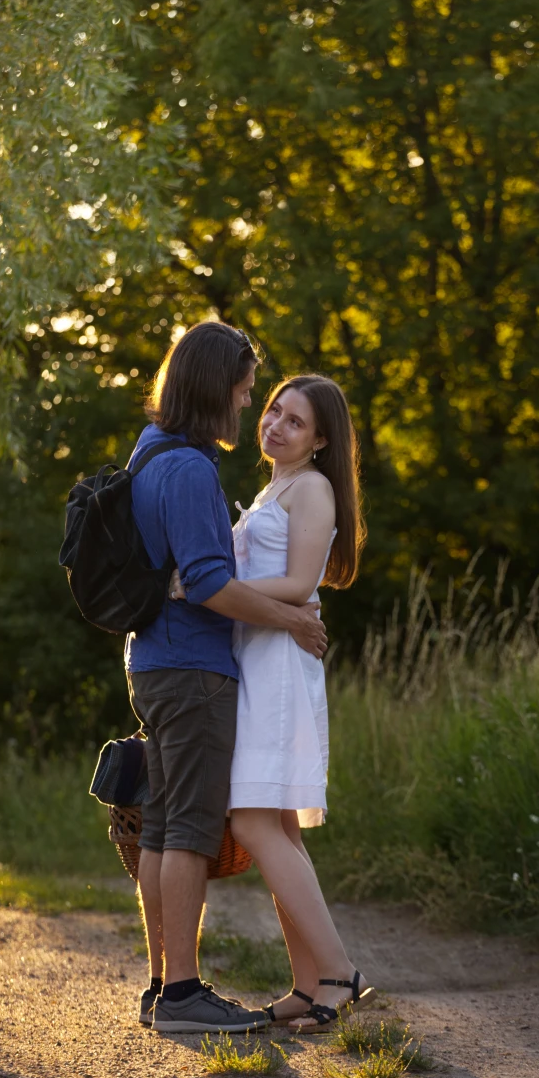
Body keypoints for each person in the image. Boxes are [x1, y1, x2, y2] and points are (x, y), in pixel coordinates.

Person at [125, 322, 328, 1035]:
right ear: (215, 389)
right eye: (244, 395)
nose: (248, 408)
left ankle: (161, 984)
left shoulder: (150, 452)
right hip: (192, 670)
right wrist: (294, 620)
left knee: (160, 829)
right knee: (187, 830)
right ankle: (182, 992)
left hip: (154, 661)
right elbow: (209, 582)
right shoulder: (189, 469)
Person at [172, 374, 375, 1033]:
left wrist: (202, 587)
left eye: (295, 421)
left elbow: (297, 582)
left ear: (320, 440)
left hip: (280, 666)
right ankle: (309, 983)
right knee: (276, 826)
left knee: (254, 822)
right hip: (255, 657)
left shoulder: (313, 489)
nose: (276, 425)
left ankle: (341, 972)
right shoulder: (271, 488)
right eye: (273, 410)